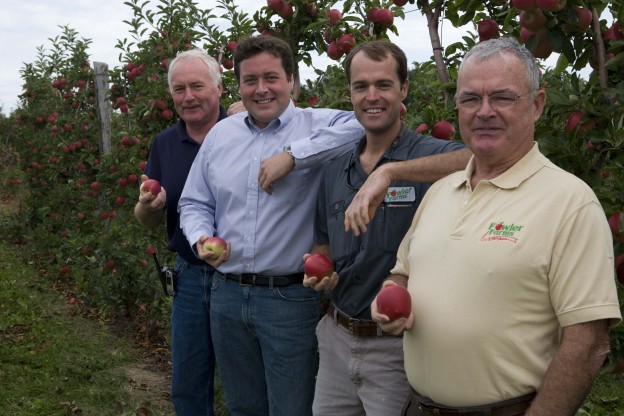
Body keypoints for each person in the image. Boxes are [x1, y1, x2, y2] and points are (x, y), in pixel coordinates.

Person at [370, 37, 622, 416]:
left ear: (536, 106)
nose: (484, 111)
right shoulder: (440, 192)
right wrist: (389, 298)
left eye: (503, 98)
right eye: (470, 99)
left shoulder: (570, 202)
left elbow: (588, 343)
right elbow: (402, 274)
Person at [303, 41, 469, 416]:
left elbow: (480, 157)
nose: (371, 96)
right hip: (336, 336)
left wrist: (390, 172)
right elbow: (323, 247)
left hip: (399, 347)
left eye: (384, 84)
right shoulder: (334, 172)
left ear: (404, 88)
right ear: (349, 93)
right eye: (361, 86)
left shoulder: (428, 155)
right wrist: (319, 270)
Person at [133, 48, 227, 416]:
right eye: (178, 89)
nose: (188, 96)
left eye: (197, 86)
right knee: (188, 386)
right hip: (189, 279)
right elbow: (149, 222)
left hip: (241, 280)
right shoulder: (164, 144)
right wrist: (147, 207)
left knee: (244, 389)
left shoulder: (246, 132)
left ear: (219, 88)